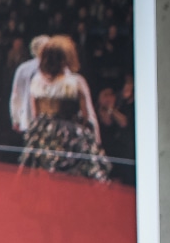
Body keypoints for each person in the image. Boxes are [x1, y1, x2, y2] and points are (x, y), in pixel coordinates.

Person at [19, 36, 110, 182]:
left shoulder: (36, 81)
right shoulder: (75, 82)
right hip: (70, 135)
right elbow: (88, 115)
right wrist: (95, 141)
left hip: (44, 136)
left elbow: (34, 114)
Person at [8, 34, 48, 135]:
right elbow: (16, 95)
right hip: (29, 118)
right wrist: (16, 118)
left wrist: (16, 119)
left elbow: (16, 96)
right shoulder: (24, 69)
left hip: (41, 120)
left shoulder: (57, 69)